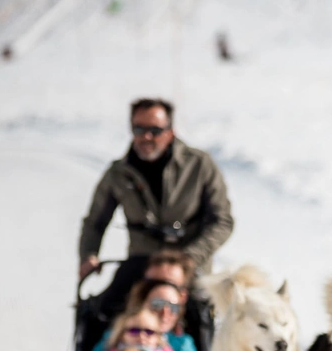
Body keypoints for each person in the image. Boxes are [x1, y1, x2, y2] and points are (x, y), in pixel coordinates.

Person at [79, 98, 232, 325]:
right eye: (139, 129)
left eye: (155, 130)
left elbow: (222, 221)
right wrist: (89, 254)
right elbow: (95, 221)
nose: (146, 137)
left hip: (191, 268)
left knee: (201, 322)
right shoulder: (119, 173)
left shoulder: (199, 165)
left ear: (170, 131)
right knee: (99, 315)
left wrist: (190, 258)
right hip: (140, 265)